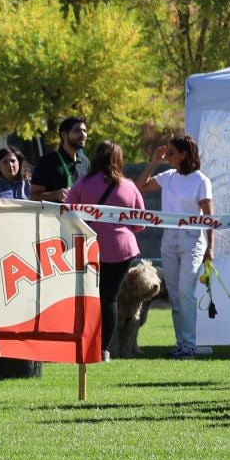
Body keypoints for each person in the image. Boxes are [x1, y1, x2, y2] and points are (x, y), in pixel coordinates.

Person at [134, 135, 215, 359]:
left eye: (171, 152)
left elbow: (210, 217)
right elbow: (139, 187)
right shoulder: (168, 176)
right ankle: (182, 344)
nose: (168, 155)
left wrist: (211, 248)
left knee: (185, 291)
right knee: (175, 295)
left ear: (184, 154)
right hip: (169, 239)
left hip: (192, 240)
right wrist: (154, 162)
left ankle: (188, 344)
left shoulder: (201, 180)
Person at [66, 141, 147, 359]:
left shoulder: (82, 183)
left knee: (87, 298)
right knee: (109, 299)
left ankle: (83, 343)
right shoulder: (129, 186)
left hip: (89, 247)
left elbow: (68, 214)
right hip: (121, 249)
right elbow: (140, 223)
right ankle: (104, 349)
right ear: (119, 160)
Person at [31, 116, 90, 202]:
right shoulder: (47, 161)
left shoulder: (85, 162)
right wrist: (54, 195)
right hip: (52, 215)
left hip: (79, 215)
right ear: (64, 135)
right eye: (77, 131)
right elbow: (33, 196)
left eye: (85, 131)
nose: (83, 135)